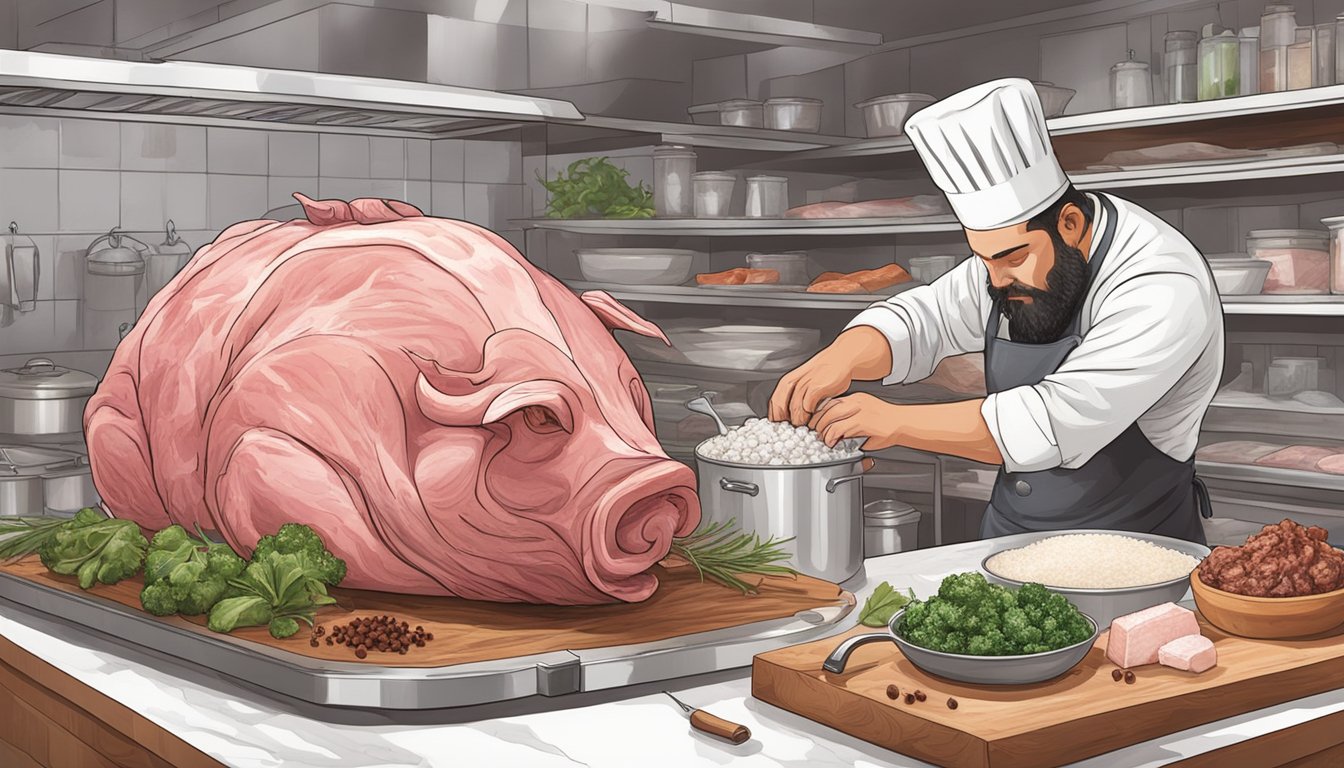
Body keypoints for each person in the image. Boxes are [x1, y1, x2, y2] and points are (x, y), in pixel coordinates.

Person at [769, 78, 1224, 544]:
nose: (996, 279)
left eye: (1010, 258)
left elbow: (1053, 421)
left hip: (1135, 551)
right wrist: (839, 358)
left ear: (1069, 224)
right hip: (1009, 538)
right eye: (984, 259)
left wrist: (894, 421)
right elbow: (927, 317)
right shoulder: (1010, 259)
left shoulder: (1162, 282)